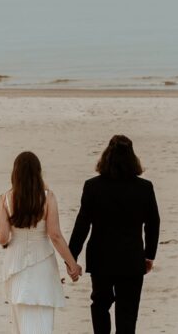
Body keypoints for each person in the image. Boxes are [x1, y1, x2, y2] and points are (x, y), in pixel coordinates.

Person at [68, 135, 160, 334]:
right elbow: (153, 223)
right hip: (132, 259)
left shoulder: (92, 186)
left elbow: (82, 224)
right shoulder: (144, 188)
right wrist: (149, 255)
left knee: (100, 305)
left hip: (101, 258)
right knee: (128, 313)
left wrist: (71, 257)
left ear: (106, 157)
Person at [0, 151, 83, 333]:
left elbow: (3, 238)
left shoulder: (5, 199)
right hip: (42, 261)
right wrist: (72, 264)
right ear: (38, 172)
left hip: (15, 263)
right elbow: (55, 235)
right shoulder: (47, 197)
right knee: (42, 316)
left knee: (21, 318)